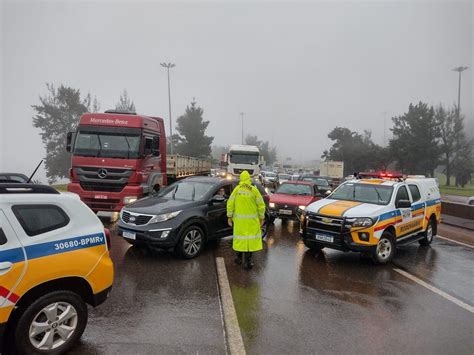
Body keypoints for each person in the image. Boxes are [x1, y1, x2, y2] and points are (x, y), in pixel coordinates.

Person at [227, 171, 266, 270]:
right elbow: (261, 205)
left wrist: (229, 217)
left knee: (240, 240)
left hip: (239, 222)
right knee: (250, 241)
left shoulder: (237, 190)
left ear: (241, 179)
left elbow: (230, 203)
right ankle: (248, 263)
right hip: (252, 221)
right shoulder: (254, 190)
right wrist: (261, 217)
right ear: (249, 179)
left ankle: (239, 259)